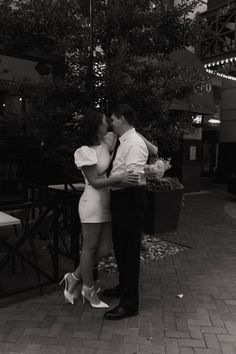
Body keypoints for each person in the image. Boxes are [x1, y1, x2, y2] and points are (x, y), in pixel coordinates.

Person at [60, 109, 158, 309]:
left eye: (111, 120)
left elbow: (148, 146)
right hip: (92, 203)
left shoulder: (108, 140)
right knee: (89, 248)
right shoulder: (84, 151)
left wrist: (135, 132)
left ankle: (74, 276)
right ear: (97, 125)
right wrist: (120, 178)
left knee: (105, 250)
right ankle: (89, 290)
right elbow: (95, 182)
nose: (109, 123)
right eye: (106, 121)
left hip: (108, 202)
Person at [103, 104, 149, 320]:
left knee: (129, 251)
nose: (111, 123)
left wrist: (109, 183)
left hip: (129, 200)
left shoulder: (135, 143)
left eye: (112, 119)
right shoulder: (124, 142)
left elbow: (133, 180)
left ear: (122, 119)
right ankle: (123, 287)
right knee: (121, 248)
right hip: (122, 198)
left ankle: (130, 303)